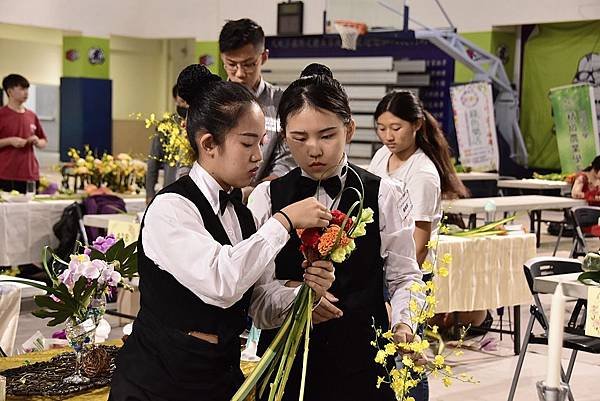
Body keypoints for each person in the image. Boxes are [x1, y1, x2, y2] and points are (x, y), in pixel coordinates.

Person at [109, 64, 335, 401]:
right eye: (247, 143)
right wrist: (284, 221)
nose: (259, 156)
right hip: (161, 379)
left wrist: (303, 296)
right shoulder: (172, 208)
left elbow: (258, 303)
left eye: (261, 142)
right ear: (209, 143)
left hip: (220, 375)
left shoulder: (241, 214)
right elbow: (222, 282)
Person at [248, 64, 424, 401]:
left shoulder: (385, 193)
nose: (314, 149)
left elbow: (405, 278)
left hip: (363, 362)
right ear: (284, 137)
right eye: (299, 138)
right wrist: (297, 301)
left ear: (350, 129)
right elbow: (256, 297)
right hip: (289, 362)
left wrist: (404, 324)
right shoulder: (267, 198)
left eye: (327, 135)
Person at [368, 90, 469, 401]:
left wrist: (398, 281)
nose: (388, 136)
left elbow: (419, 242)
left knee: (410, 355)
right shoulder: (382, 156)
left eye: (396, 128)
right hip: (382, 267)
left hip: (406, 274)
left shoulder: (423, 173)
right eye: (381, 128)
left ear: (417, 125)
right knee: (383, 353)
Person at [219, 18, 296, 192]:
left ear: (264, 57)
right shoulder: (210, 102)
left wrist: (256, 192)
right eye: (231, 64)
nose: (239, 73)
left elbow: (286, 160)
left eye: (248, 64)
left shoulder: (281, 102)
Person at [0, 74, 47, 193]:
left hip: (30, 174)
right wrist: (10, 141)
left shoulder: (31, 115)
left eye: (27, 89)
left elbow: (43, 141)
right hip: (6, 174)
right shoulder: (2, 115)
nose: (26, 93)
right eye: (21, 89)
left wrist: (37, 141)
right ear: (10, 91)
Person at [145, 84, 187, 203]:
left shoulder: (202, 124)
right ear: (175, 99)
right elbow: (153, 161)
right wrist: (149, 193)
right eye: (182, 101)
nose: (185, 105)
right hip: (171, 190)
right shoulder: (166, 126)